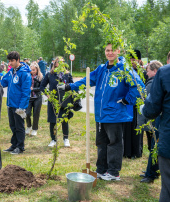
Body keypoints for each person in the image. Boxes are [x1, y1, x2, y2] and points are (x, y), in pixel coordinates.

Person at [59, 44, 142, 181]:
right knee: (101, 142)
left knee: (114, 142)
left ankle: (113, 172)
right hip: (101, 113)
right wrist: (70, 86)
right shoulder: (102, 69)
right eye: (107, 50)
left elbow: (138, 87)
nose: (109, 53)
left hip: (115, 113)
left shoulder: (124, 69)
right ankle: (101, 169)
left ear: (118, 51)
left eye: (112, 50)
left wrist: (128, 100)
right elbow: (87, 79)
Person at [142, 61, 170, 202]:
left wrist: (144, 109)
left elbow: (152, 109)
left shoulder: (165, 73)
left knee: (168, 190)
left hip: (169, 143)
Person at [1, 51, 32, 155]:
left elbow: (26, 92)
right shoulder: (11, 72)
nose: (10, 63)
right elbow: (3, 82)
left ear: (18, 60)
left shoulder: (24, 73)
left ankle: (20, 147)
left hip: (19, 106)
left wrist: (22, 107)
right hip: (10, 104)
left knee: (19, 127)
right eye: (9, 61)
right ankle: (14, 145)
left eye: (12, 61)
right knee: (13, 126)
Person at [40, 56, 75, 147]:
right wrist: (47, 94)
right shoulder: (49, 74)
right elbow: (42, 86)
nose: (61, 64)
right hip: (53, 101)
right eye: (59, 62)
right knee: (53, 121)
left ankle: (66, 139)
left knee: (64, 120)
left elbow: (72, 86)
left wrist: (70, 93)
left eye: (63, 62)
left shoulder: (67, 74)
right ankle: (53, 140)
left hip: (64, 101)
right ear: (55, 63)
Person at [138, 61, 163, 183]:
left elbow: (150, 101)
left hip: (156, 119)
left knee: (154, 146)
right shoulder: (156, 82)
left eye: (148, 70)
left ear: (155, 71)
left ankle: (151, 174)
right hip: (156, 119)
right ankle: (151, 171)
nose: (146, 73)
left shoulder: (154, 83)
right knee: (152, 145)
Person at [123, 50, 145, 158]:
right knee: (127, 128)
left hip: (138, 104)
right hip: (127, 103)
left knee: (136, 127)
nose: (132, 62)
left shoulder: (142, 73)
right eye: (130, 59)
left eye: (134, 59)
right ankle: (126, 151)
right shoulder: (126, 72)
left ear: (139, 60)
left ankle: (136, 151)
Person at [26, 62, 43, 136]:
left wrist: (33, 89)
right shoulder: (27, 76)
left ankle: (35, 129)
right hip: (29, 97)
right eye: (31, 70)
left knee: (36, 113)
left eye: (33, 70)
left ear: (37, 69)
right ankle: (29, 126)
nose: (32, 71)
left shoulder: (40, 77)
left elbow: (42, 88)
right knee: (27, 113)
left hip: (37, 97)